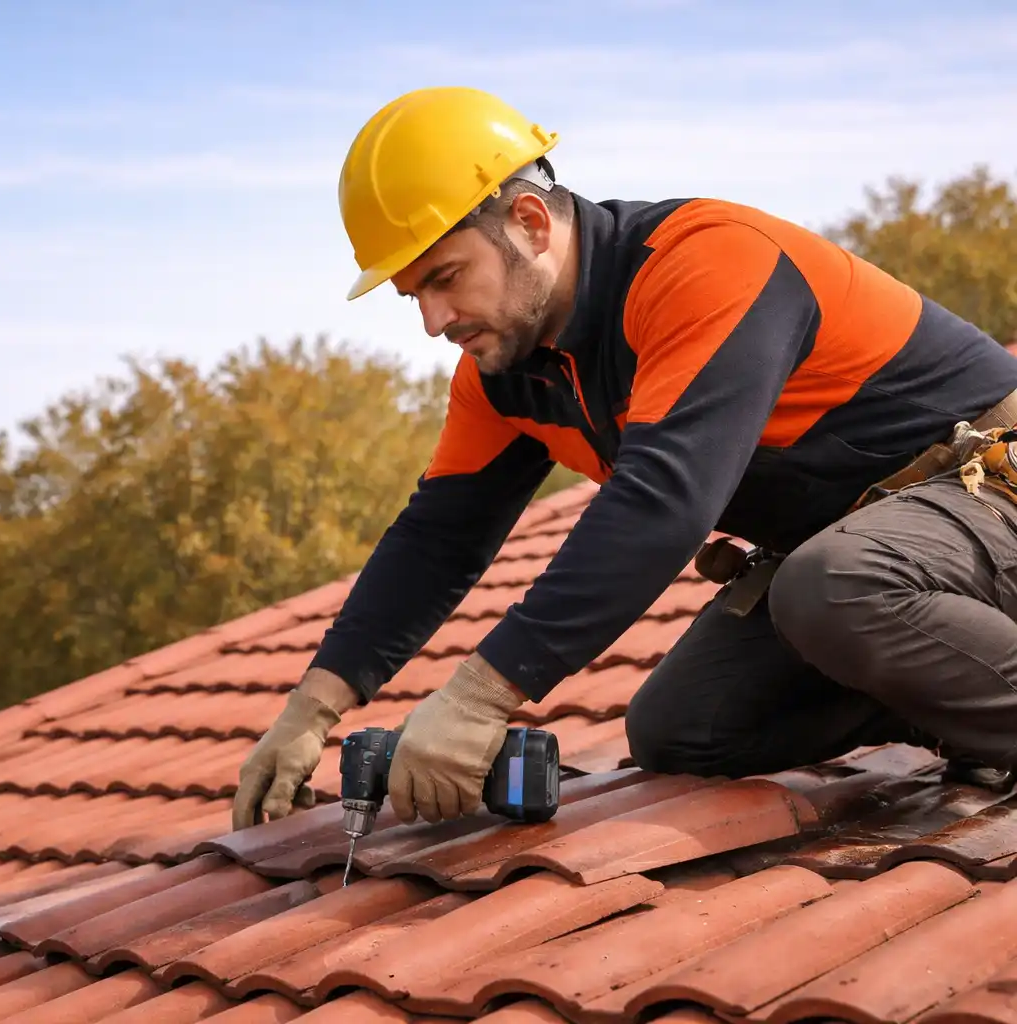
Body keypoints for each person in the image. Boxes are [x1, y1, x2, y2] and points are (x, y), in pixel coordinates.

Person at [230, 86, 1017, 832]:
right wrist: (312, 710)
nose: (434, 320)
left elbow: (661, 502)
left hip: (992, 489)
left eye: (445, 278)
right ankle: (970, 707)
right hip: (895, 556)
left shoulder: (707, 262)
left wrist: (477, 698)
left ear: (531, 221)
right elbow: (437, 539)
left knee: (832, 586)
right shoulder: (505, 375)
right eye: (413, 296)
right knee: (684, 729)